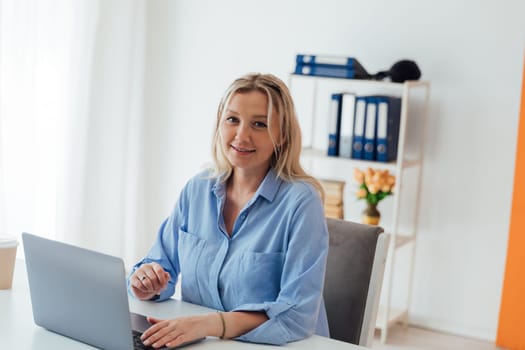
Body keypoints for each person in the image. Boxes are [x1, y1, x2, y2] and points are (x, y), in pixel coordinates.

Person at [128, 73, 329, 347]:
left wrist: (210, 324)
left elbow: (297, 314)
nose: (241, 136)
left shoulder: (301, 203)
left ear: (281, 135)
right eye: (232, 120)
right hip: (201, 342)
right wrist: (146, 282)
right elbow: (160, 266)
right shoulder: (197, 190)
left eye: (259, 124)